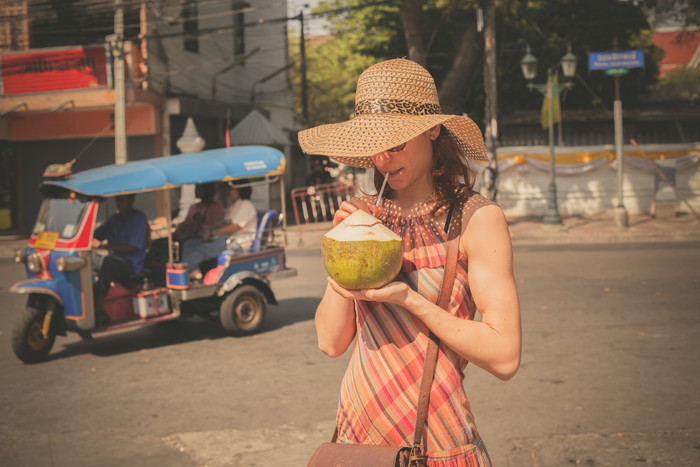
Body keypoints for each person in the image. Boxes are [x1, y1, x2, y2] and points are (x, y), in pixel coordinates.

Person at [298, 58, 521, 465]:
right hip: (358, 438)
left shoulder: (475, 219)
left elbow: (505, 356)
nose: (383, 159)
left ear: (432, 129)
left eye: (397, 143)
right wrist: (339, 257)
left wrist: (409, 299)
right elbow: (330, 343)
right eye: (374, 145)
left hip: (436, 439)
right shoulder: (363, 214)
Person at [181, 182, 258, 281]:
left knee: (201, 249)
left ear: (239, 190)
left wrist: (212, 233)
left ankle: (182, 270)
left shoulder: (246, 205)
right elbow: (223, 224)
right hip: (225, 240)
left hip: (236, 244)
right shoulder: (232, 208)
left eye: (231, 189)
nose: (228, 191)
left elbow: (233, 227)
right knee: (189, 244)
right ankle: (194, 271)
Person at [92, 194, 149, 313]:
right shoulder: (114, 220)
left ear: (131, 200)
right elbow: (95, 235)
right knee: (89, 258)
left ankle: (100, 306)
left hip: (131, 264)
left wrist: (102, 246)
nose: (118, 203)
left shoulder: (139, 218)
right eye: (117, 200)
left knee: (107, 262)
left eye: (121, 200)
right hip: (116, 259)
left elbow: (130, 247)